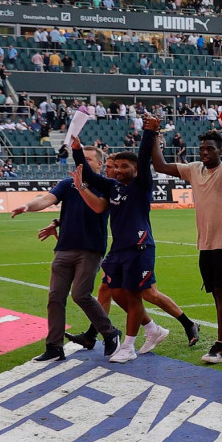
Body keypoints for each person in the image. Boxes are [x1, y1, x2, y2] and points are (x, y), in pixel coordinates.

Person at [9, 142, 119, 362]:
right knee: (55, 298)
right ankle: (54, 346)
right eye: (82, 159)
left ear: (99, 163)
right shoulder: (67, 184)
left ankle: (110, 332)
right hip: (64, 248)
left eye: (88, 160)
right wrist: (28, 206)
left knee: (80, 294)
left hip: (90, 249)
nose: (83, 163)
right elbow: (46, 199)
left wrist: (81, 187)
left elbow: (98, 208)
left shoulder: (107, 186)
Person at [148, 123, 222, 364]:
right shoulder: (193, 169)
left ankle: (221, 344)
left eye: (210, 149)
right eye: (202, 148)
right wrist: (152, 135)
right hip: (205, 242)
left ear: (220, 151)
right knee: (216, 293)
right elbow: (160, 165)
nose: (205, 152)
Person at [74, 116, 164, 364]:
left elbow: (144, 156)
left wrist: (149, 132)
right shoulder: (113, 187)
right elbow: (91, 178)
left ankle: (129, 346)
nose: (120, 169)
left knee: (134, 297)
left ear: (135, 170)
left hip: (139, 247)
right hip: (119, 250)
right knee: (114, 291)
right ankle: (153, 329)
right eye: (118, 166)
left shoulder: (141, 185)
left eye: (126, 166)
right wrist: (76, 151)